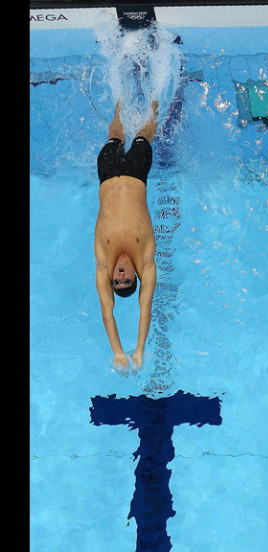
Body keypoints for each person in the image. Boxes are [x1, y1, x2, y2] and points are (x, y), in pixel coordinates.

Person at [94, 101, 159, 372]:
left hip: (107, 175)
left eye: (116, 281)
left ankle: (119, 104)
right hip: (136, 175)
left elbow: (107, 312)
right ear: (135, 276)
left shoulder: (103, 264)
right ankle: (154, 102)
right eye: (126, 280)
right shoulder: (145, 260)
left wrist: (118, 352)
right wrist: (138, 351)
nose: (120, 275)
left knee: (115, 135)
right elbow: (145, 309)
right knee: (145, 132)